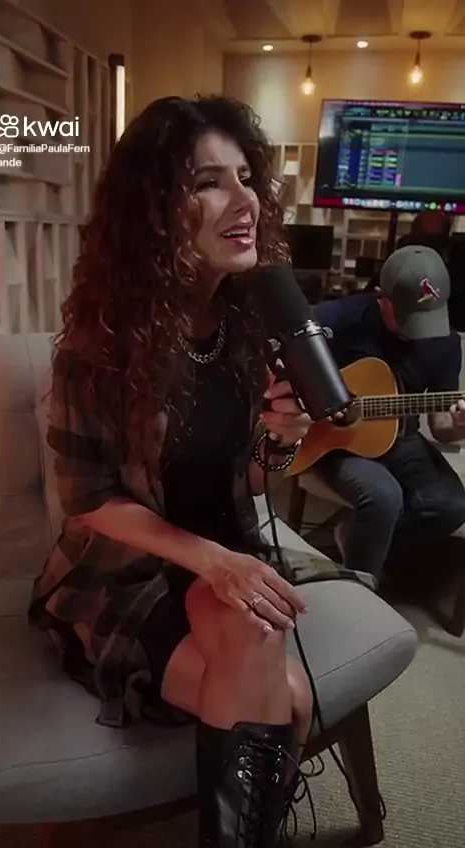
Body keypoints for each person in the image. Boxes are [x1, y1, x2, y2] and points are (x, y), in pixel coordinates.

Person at [28, 95, 315, 847]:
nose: (244, 200)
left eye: (246, 177)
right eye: (208, 182)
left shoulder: (249, 325)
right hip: (131, 570)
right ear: (155, 212)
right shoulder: (99, 346)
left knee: (280, 687)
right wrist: (212, 561)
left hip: (225, 553)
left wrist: (281, 441)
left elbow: (249, 482)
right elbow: (88, 500)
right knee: (285, 695)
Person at [312, 244, 465, 580]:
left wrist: (459, 425)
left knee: (452, 505)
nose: (419, 330)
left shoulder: (445, 342)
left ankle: (355, 543)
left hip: (401, 439)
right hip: (334, 439)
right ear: (381, 298)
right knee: (383, 497)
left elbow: (441, 425)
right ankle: (358, 590)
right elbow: (287, 356)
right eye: (409, 316)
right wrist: (317, 403)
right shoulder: (342, 317)